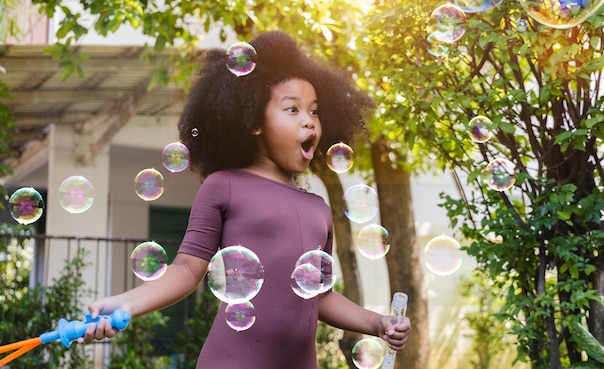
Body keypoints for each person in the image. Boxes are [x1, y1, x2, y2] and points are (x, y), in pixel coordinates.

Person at [81, 31, 412, 368]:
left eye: (314, 111)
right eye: (292, 109)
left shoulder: (319, 209)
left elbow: (319, 295)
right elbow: (185, 269)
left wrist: (376, 323)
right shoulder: (224, 185)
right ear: (254, 120)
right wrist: (124, 303)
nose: (309, 120)